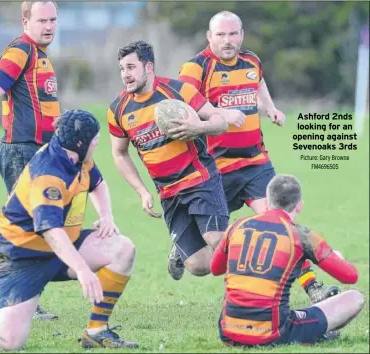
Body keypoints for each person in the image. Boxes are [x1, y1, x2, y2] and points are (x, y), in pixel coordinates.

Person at [177, 11, 339, 303]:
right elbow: (184, 99)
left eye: (233, 34)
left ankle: (312, 287)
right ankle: (183, 244)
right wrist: (220, 113)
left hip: (256, 164)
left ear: (242, 34)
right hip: (215, 170)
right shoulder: (196, 66)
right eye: (221, 35)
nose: (227, 41)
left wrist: (271, 108)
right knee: (202, 257)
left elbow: (258, 84)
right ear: (209, 37)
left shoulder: (251, 60)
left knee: (282, 225)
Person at [0, 109, 138, 350]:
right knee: (8, 342)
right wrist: (82, 269)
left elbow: (97, 184)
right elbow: (51, 231)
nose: (97, 144)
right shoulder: (48, 172)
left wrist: (106, 216)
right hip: (22, 256)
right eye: (94, 141)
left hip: (61, 247)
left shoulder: (78, 156)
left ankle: (96, 330)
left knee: (122, 249)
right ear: (80, 143)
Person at [108, 40, 246, 279]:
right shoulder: (118, 109)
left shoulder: (177, 91)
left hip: (200, 180)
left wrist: (199, 126)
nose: (125, 75)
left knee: (216, 239)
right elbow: (119, 153)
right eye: (122, 69)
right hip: (168, 193)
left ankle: (249, 292)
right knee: (199, 266)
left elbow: (220, 121)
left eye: (131, 67)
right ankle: (216, 242)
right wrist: (142, 191)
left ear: (148, 67)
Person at [0, 0, 60, 319]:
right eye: (42, 19)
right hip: (20, 151)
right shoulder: (21, 49)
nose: (49, 25)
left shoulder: (40, 54)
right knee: (26, 228)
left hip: (37, 153)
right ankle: (8, 301)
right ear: (25, 21)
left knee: (34, 228)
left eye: (53, 19)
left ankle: (18, 299)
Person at [210, 174, 364, 347]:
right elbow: (350, 276)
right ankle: (318, 332)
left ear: (267, 201)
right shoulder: (303, 236)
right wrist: (338, 257)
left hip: (228, 332)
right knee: (355, 298)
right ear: (299, 206)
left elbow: (215, 268)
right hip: (272, 334)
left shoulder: (237, 226)